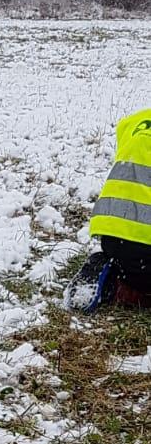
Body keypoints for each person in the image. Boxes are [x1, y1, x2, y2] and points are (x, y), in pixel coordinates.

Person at [64, 108, 151, 312]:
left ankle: (119, 278)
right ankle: (121, 286)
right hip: (144, 243)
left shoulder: (135, 120)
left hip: (112, 236)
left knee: (138, 274)